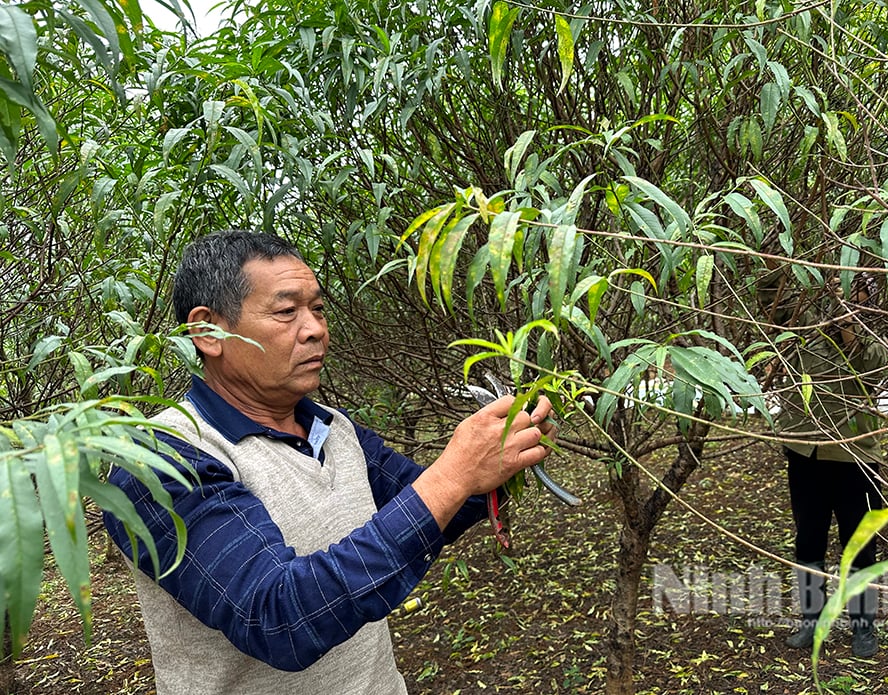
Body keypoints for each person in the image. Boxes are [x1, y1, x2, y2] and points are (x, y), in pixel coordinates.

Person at [103, 230, 557, 695]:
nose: (316, 329)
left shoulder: (332, 428)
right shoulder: (158, 462)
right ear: (207, 332)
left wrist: (501, 452)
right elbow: (279, 618)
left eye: (318, 309)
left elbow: (430, 513)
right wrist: (455, 471)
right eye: (286, 311)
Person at [763, 271, 888, 658]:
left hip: (856, 461)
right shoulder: (806, 336)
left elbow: (869, 372)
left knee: (860, 545)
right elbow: (772, 296)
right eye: (835, 295)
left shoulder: (873, 343)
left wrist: (848, 322)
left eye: (853, 295)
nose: (841, 303)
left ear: (866, 301)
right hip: (805, 455)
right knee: (808, 540)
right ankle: (810, 620)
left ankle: (863, 627)